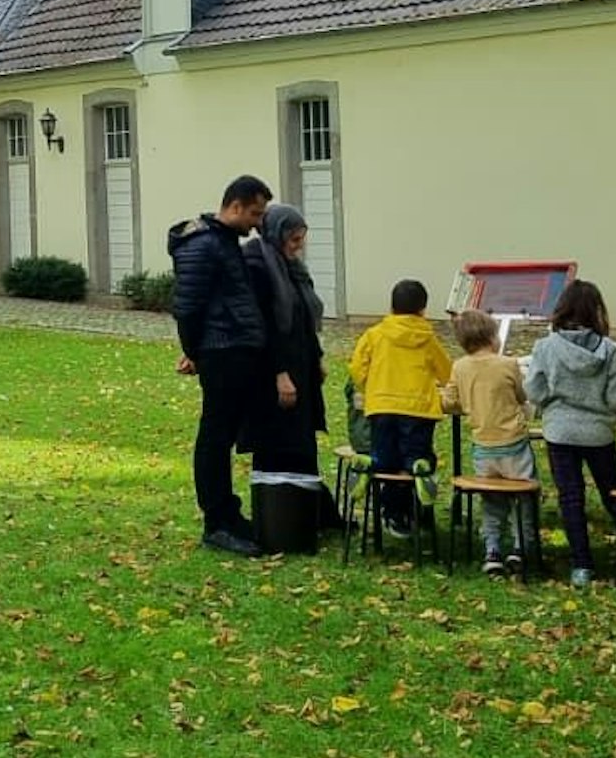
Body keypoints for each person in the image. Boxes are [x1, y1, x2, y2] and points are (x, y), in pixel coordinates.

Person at [168, 174, 273, 558]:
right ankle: (217, 522)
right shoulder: (202, 245)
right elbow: (187, 307)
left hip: (234, 349)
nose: (258, 223)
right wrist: (194, 350)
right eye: (255, 213)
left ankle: (228, 513)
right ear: (235, 206)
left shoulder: (223, 242)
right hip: (221, 352)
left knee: (224, 435)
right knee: (215, 438)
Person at [525, 279, 616, 587]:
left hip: (560, 431)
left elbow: (534, 390)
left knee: (571, 498)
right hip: (599, 433)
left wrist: (554, 402)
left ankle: (581, 566)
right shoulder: (610, 350)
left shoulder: (546, 348)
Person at [240, 203, 338, 529]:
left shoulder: (291, 268)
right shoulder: (257, 264)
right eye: (294, 239)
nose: (299, 246)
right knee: (279, 440)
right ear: (277, 234)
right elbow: (266, 324)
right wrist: (280, 373)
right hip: (273, 369)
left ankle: (312, 510)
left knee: (302, 439)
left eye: (301, 239)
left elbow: (302, 318)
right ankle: (281, 512)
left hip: (301, 363)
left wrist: (317, 356)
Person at [349, 279, 451, 540]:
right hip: (418, 410)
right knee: (414, 459)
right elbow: (446, 372)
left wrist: (370, 387)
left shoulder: (375, 334)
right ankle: (419, 467)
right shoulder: (427, 338)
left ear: (391, 307)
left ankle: (371, 464)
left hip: (381, 407)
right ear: (423, 310)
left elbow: (357, 368)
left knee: (387, 460)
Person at [441, 309, 535, 576]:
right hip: (513, 441)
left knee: (491, 500)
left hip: (483, 445)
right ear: (492, 337)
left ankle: (492, 550)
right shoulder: (508, 364)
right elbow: (521, 395)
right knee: (523, 496)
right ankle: (520, 546)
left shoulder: (459, 367)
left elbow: (450, 400)